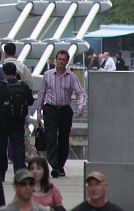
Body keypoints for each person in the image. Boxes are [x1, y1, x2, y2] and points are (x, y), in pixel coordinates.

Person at [34, 49, 85, 177]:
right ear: (56, 60)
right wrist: (38, 112)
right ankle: (54, 165)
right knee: (51, 137)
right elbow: (42, 94)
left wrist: (80, 106)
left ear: (67, 62)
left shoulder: (71, 77)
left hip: (65, 109)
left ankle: (61, 165)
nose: (61, 62)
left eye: (64, 60)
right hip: (50, 109)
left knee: (63, 139)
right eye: (59, 59)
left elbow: (80, 92)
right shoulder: (48, 75)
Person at [0, 62, 35, 178]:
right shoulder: (23, 86)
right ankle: (20, 172)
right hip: (18, 121)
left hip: (1, 121)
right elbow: (30, 101)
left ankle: (0, 173)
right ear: (15, 73)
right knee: (18, 146)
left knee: (0, 147)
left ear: (3, 73)